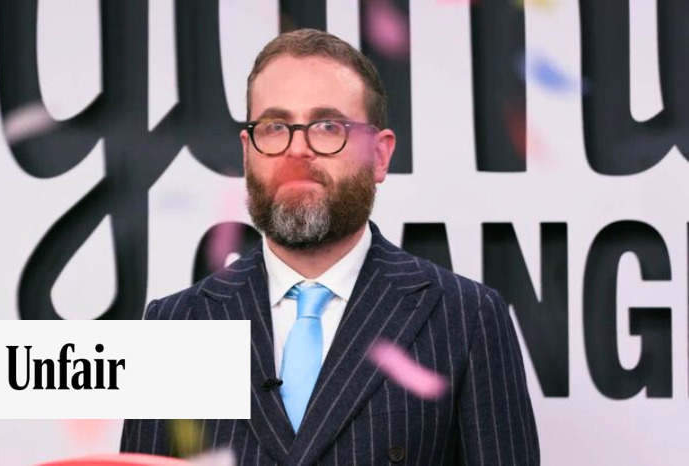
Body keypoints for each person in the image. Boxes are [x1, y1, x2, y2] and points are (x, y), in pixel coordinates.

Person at [121, 28, 539, 465]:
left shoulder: (466, 319)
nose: (297, 149)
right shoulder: (176, 325)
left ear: (379, 156)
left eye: (327, 126)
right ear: (247, 154)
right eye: (275, 126)